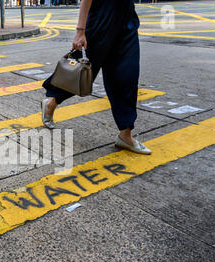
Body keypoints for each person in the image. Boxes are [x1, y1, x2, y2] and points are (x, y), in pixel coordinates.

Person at [41, 0, 151, 155]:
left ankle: (125, 135)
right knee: (83, 76)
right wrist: (80, 31)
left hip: (127, 21)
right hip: (101, 21)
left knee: (127, 77)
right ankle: (52, 102)